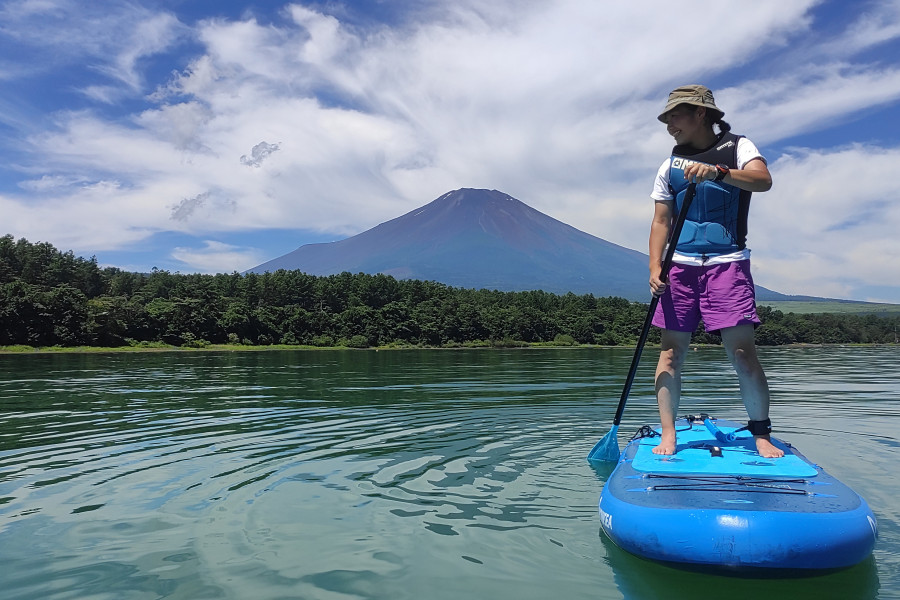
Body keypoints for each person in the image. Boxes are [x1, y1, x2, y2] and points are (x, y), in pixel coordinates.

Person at [648, 84, 783, 459]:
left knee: (742, 353)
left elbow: (763, 181)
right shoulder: (668, 166)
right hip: (680, 268)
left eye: (675, 115)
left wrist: (719, 173)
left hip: (728, 263)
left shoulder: (739, 147)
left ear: (701, 113)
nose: (669, 124)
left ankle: (760, 433)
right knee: (671, 354)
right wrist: (654, 266)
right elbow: (661, 220)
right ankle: (669, 434)